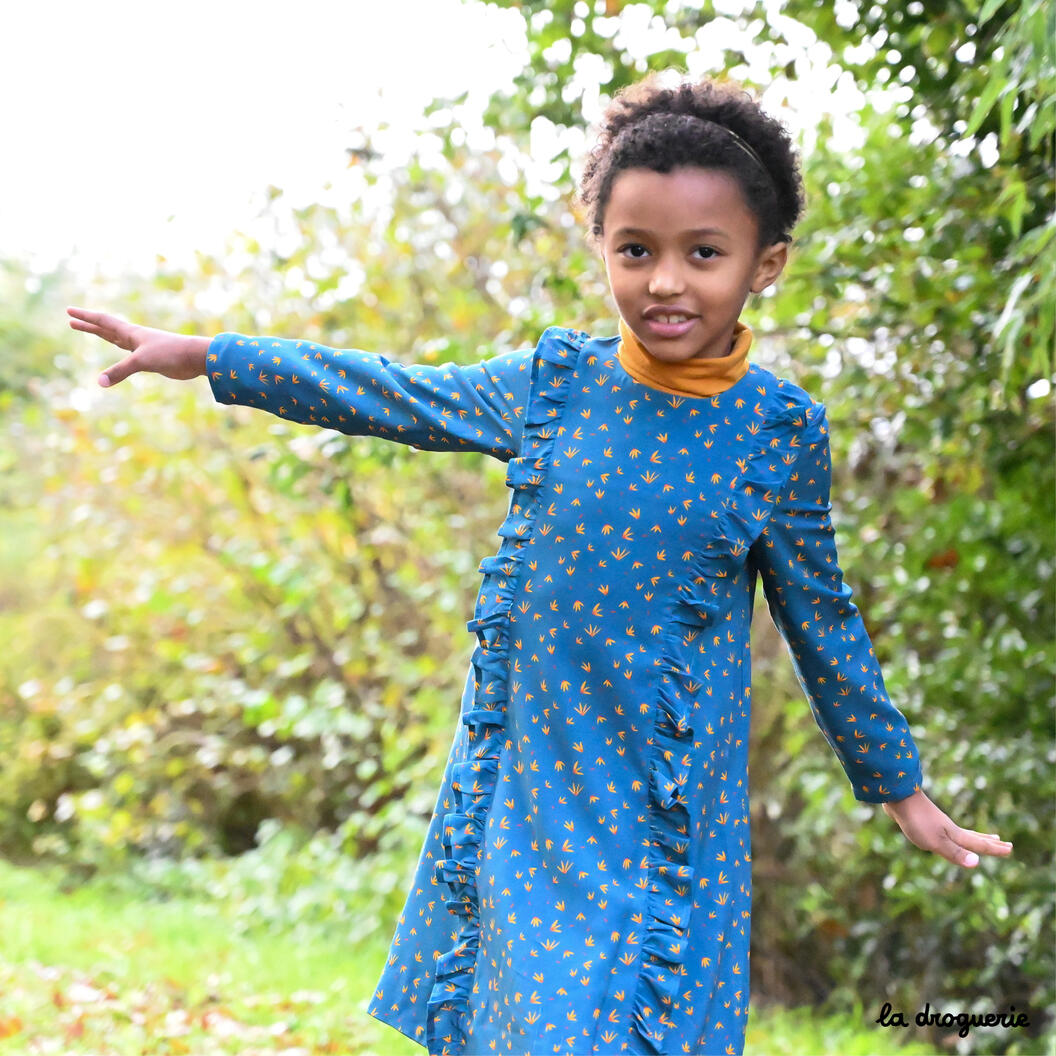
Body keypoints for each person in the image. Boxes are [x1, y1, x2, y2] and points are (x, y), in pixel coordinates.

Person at [67, 72, 1012, 1056]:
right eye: (635, 250)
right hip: (531, 782)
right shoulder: (554, 387)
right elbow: (391, 392)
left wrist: (898, 784)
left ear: (764, 265)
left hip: (663, 815)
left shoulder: (776, 434)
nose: (665, 283)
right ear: (599, 242)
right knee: (528, 1026)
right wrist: (212, 356)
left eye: (704, 253)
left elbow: (824, 622)